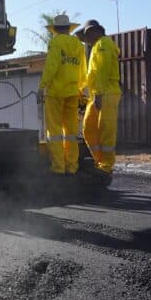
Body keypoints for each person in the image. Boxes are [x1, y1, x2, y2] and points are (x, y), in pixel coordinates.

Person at [38, 14, 86, 176]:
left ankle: (58, 167)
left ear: (55, 29)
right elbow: (83, 69)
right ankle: (72, 166)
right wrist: (80, 87)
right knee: (71, 131)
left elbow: (52, 66)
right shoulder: (78, 44)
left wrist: (42, 86)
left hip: (56, 92)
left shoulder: (55, 42)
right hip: (73, 92)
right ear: (68, 28)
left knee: (55, 131)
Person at [79, 19, 121, 179]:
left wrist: (99, 94)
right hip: (99, 93)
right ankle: (100, 162)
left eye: (86, 34)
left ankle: (106, 166)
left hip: (107, 93)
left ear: (94, 31)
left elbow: (102, 71)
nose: (85, 38)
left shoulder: (103, 44)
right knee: (88, 128)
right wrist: (83, 89)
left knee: (106, 130)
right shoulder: (97, 46)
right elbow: (93, 74)